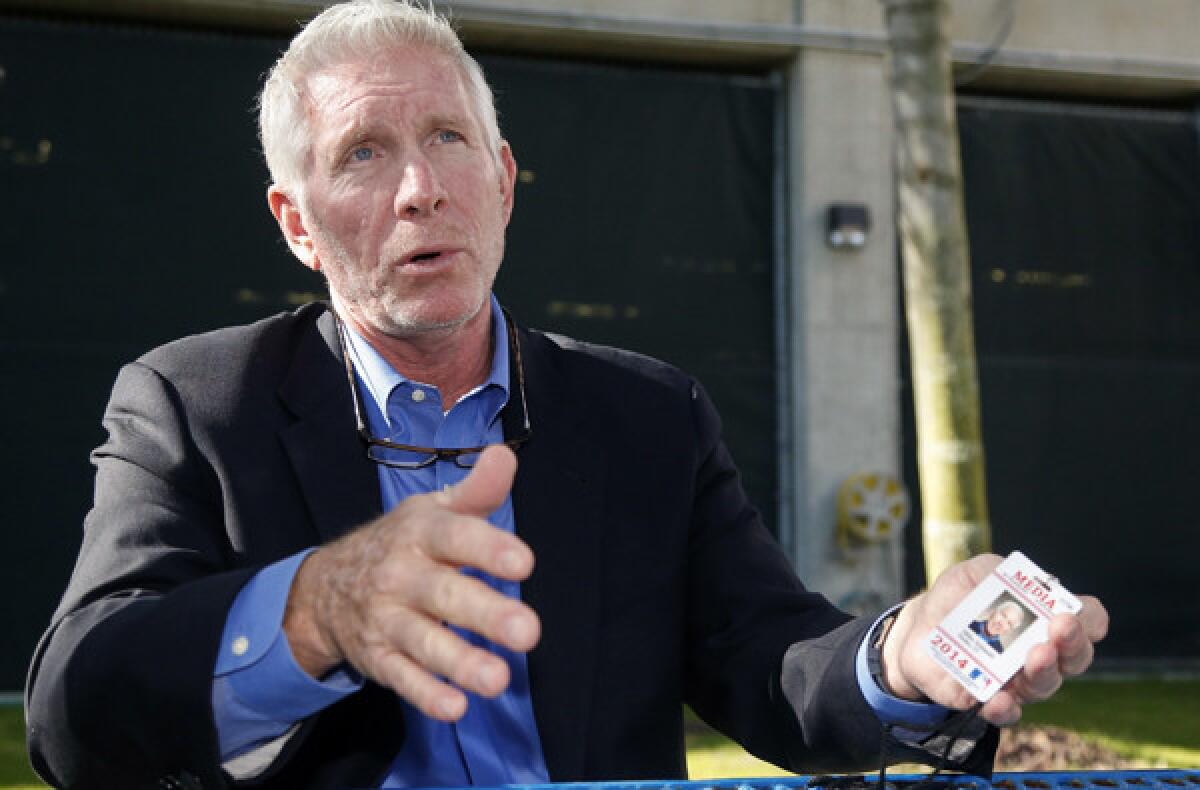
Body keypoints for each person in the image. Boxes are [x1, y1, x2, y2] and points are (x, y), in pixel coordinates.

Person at [24, 1, 1108, 788]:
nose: (421, 189)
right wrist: (315, 609)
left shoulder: (647, 416)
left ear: (502, 179)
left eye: (448, 138)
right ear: (297, 223)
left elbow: (768, 664)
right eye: (363, 153)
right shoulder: (194, 403)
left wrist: (905, 651)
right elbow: (75, 716)